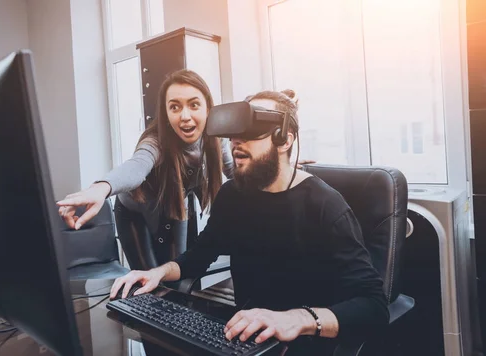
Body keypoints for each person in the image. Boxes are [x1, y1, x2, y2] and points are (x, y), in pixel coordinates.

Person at [109, 89, 389, 354]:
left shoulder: (326, 206)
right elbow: (197, 257)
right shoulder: (233, 195)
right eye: (234, 134)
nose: (236, 144)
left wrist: (296, 319)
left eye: (251, 132)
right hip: (243, 339)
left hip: (302, 344)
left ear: (285, 140)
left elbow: (374, 306)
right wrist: (156, 273)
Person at [57, 69, 314, 271]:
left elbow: (236, 174)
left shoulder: (215, 139)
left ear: (207, 108)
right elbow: (136, 168)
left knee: (177, 273)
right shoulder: (156, 140)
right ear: (166, 112)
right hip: (135, 213)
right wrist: (100, 189)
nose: (185, 116)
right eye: (175, 107)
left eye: (193, 104)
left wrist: (280, 166)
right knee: (149, 282)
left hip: (174, 207)